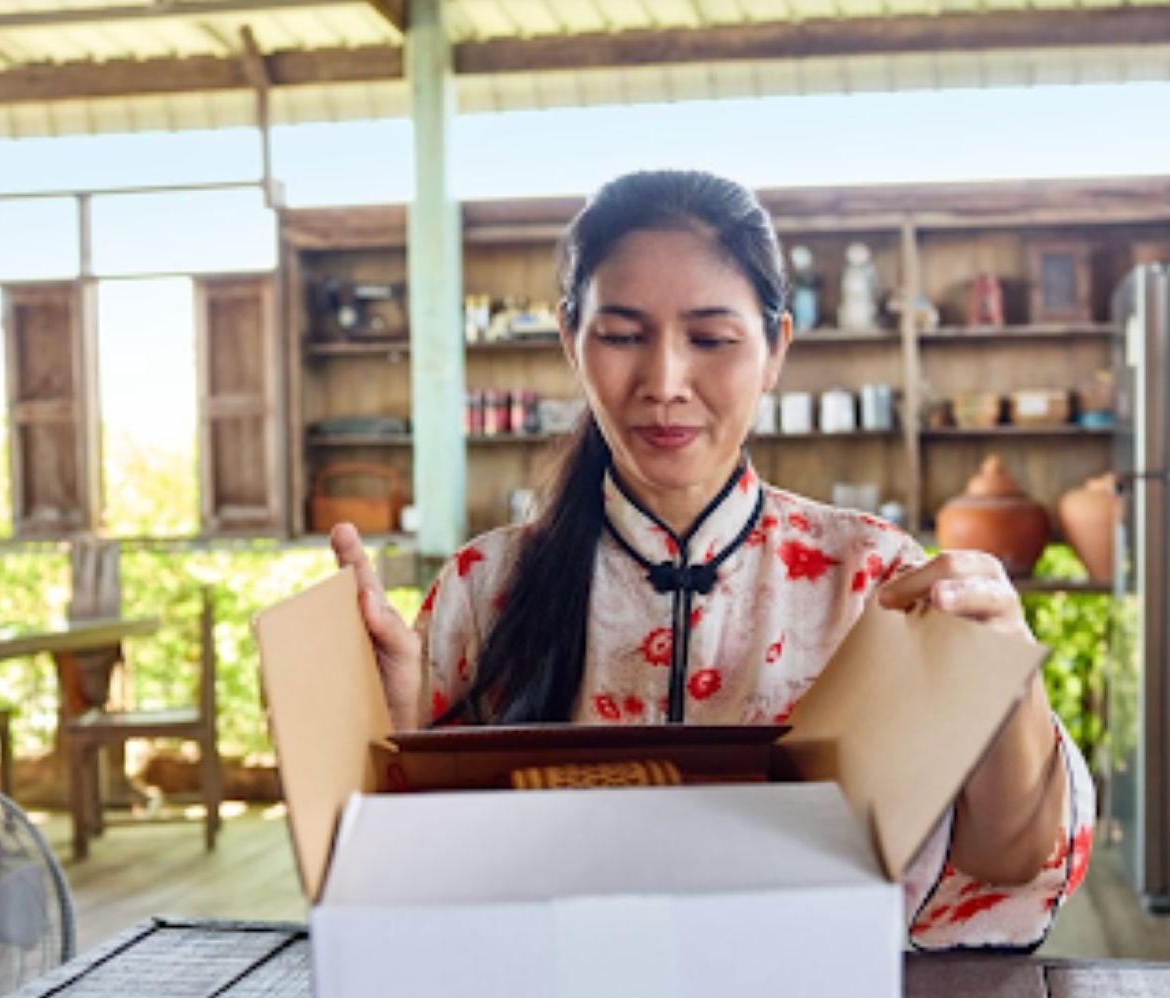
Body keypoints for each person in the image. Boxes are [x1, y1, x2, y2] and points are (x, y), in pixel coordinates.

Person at [330, 169, 1093, 949]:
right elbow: (416, 889)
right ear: (571, 342)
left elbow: (1005, 861)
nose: (664, 382)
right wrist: (381, 724)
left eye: (711, 339)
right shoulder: (482, 590)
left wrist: (1007, 680)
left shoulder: (875, 578)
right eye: (623, 335)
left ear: (774, 351)